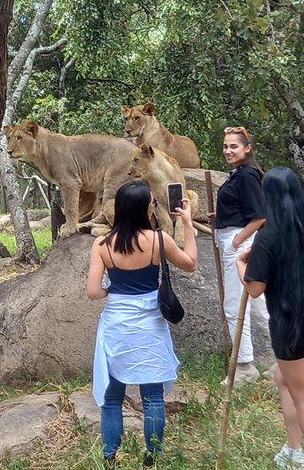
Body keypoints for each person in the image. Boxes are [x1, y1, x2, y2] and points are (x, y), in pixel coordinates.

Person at [87, 180, 197, 468]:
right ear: (145, 208)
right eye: (152, 203)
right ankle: (153, 457)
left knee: (112, 397)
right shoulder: (159, 240)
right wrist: (187, 223)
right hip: (150, 323)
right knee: (152, 397)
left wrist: (113, 292)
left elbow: (93, 291)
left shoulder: (102, 244)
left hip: (116, 324)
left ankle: (110, 456)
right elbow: (190, 263)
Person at [237, 166, 304, 470]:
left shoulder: (268, 237)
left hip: (289, 325)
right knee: (283, 377)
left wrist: (241, 262)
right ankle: (293, 450)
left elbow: (254, 288)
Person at [208, 125, 268, 385]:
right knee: (257, 302)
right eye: (225, 146)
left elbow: (260, 215)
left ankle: (244, 366)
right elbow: (243, 210)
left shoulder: (246, 175)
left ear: (247, 148)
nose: (228, 150)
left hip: (241, 244)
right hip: (235, 237)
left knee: (236, 306)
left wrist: (238, 239)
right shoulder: (239, 174)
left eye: (234, 146)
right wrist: (221, 217)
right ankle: (284, 356)